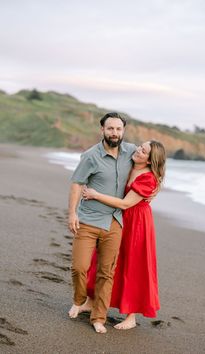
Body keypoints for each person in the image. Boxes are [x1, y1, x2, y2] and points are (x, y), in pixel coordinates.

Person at [83, 140, 166, 330]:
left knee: (134, 264)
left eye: (143, 151)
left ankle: (131, 316)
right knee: (103, 257)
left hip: (136, 222)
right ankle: (91, 301)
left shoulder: (148, 178)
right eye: (139, 146)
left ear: (149, 160)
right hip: (118, 217)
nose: (138, 150)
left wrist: (95, 195)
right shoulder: (128, 161)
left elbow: (125, 204)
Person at [68, 112, 136, 333]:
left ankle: (98, 317)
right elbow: (77, 184)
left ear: (123, 131)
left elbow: (154, 163)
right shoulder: (90, 156)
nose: (114, 133)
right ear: (102, 130)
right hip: (88, 220)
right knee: (79, 267)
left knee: (107, 273)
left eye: (118, 129)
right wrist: (72, 214)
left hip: (115, 222)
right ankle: (79, 299)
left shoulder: (131, 152)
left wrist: (155, 187)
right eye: (110, 129)